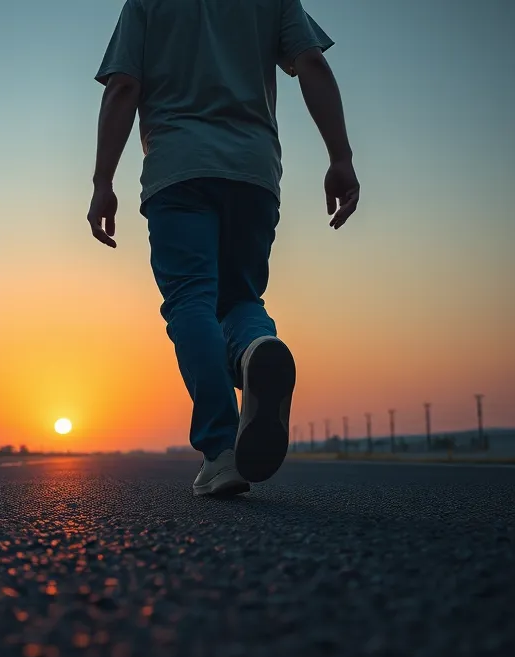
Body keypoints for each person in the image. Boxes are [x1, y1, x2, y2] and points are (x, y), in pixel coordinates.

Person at [88, 0, 360, 496]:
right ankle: (256, 348)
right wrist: (339, 156)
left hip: (178, 169)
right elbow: (312, 63)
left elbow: (124, 85)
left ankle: (221, 451)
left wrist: (103, 182)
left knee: (191, 300)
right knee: (239, 300)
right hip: (253, 173)